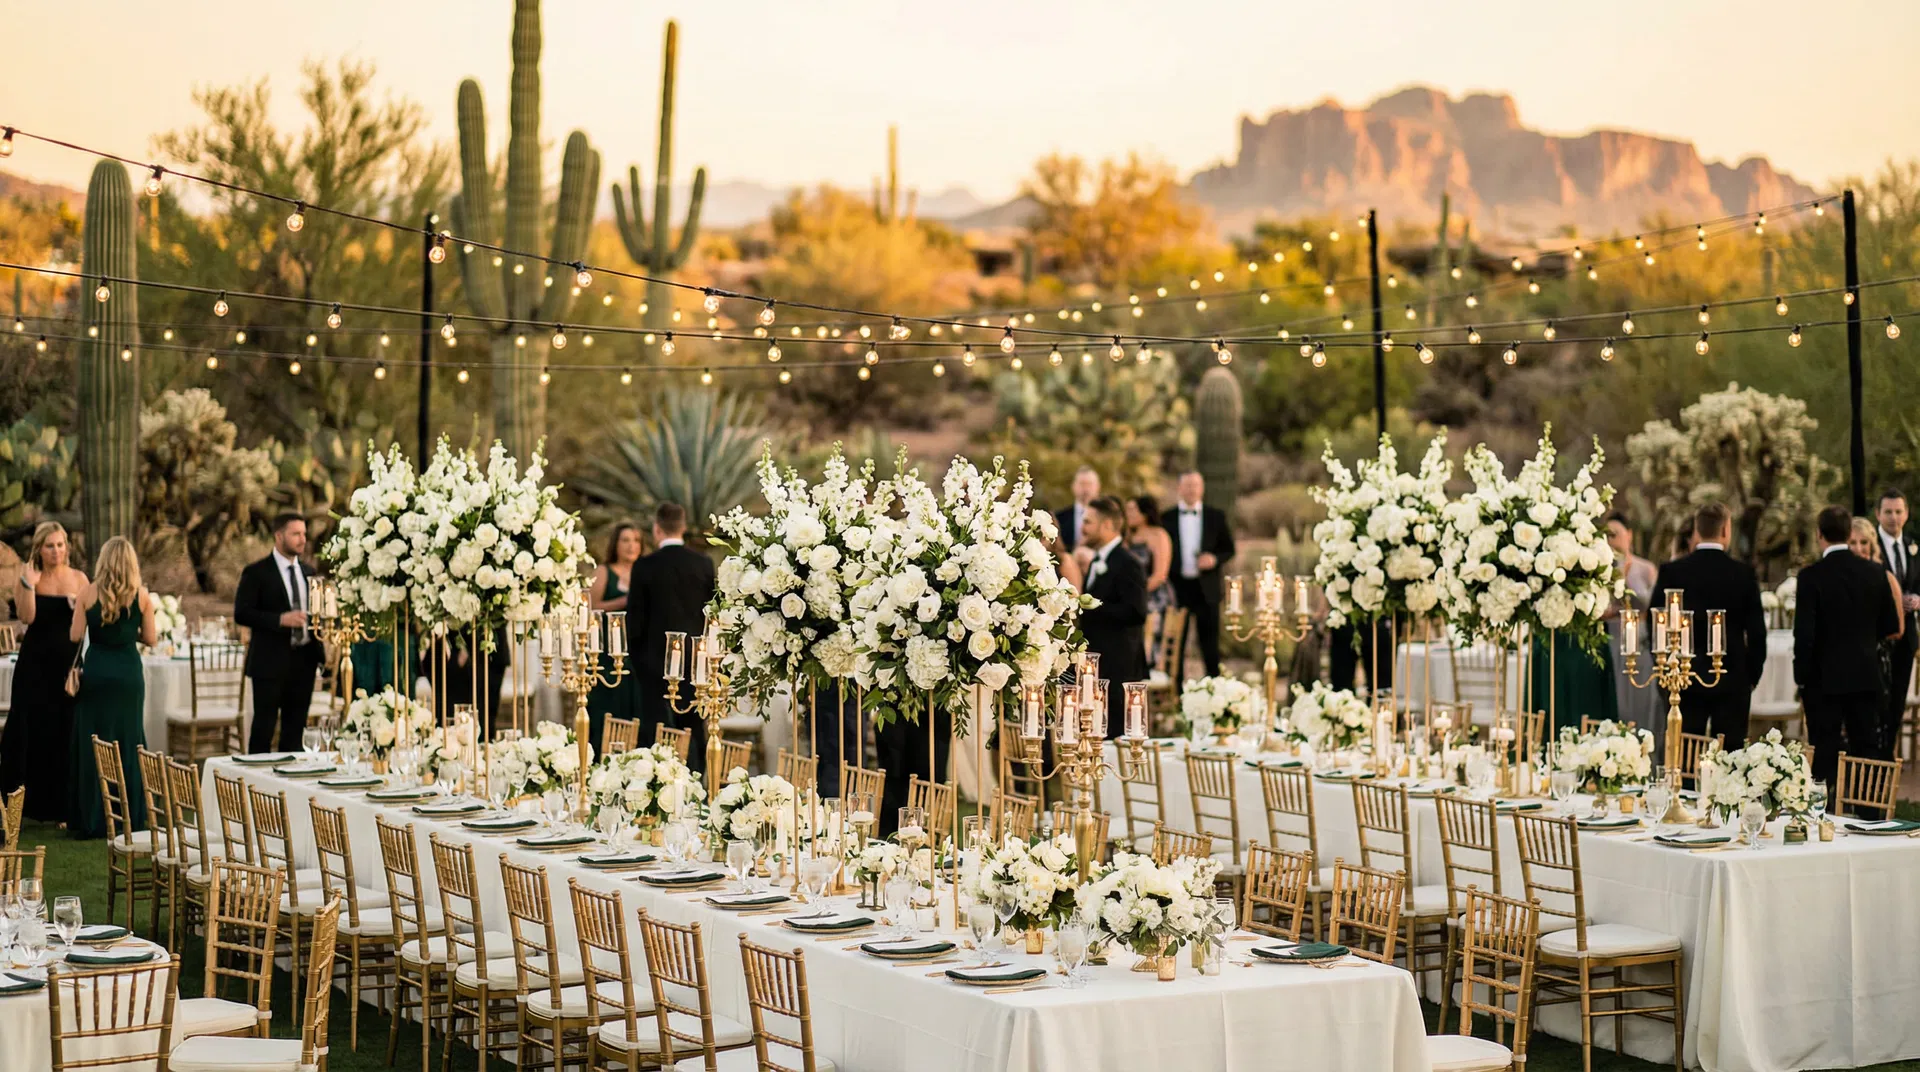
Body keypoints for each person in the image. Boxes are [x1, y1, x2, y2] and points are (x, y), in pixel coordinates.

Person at [1650, 503, 1768, 749]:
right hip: (1732, 676)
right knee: (1730, 757)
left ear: (1696, 530)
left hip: (1683, 674)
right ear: (1726, 530)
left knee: (1684, 753)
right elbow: (1757, 632)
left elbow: (1656, 622)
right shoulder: (1743, 574)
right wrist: (1751, 675)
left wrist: (1664, 669)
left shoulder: (1673, 572)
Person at [1796, 506, 1902, 781]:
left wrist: (1802, 679)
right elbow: (1890, 627)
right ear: (1847, 534)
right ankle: (1868, 818)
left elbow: (1804, 636)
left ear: (1820, 535)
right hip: (1865, 676)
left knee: (1824, 755)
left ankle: (1824, 816)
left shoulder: (1810, 577)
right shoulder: (1875, 573)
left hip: (1823, 681)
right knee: (1866, 752)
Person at [67, 537, 155, 840]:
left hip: (97, 675)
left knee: (94, 742)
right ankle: (129, 817)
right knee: (129, 742)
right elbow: (152, 638)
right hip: (129, 675)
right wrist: (129, 631)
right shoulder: (141, 596)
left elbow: (76, 634)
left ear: (102, 561)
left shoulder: (87, 593)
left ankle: (92, 818)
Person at [0, 522, 86, 825]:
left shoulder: (79, 578)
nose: (57, 551)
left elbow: (87, 624)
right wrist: (27, 582)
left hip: (65, 667)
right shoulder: (28, 576)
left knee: (63, 730)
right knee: (27, 728)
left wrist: (79, 607)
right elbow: (27, 617)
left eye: (61, 544)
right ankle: (20, 807)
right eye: (50, 545)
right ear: (39, 548)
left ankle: (62, 808)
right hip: (34, 665)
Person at [628, 504, 716, 766]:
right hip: (694, 663)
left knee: (656, 732)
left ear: (657, 529)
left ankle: (658, 789)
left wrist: (638, 661)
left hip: (652, 665)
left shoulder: (644, 566)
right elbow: (711, 613)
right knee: (694, 728)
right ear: (684, 527)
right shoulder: (703, 563)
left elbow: (635, 621)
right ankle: (700, 787)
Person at [235, 513, 324, 754]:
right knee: (263, 730)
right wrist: (279, 620)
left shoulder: (309, 572)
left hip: (304, 662)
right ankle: (255, 787)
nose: (302, 539)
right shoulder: (256, 573)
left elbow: (319, 614)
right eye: (296, 534)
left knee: (295, 734)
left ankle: (290, 788)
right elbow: (241, 614)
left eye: (304, 534)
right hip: (269, 662)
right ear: (279, 536)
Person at [1078, 497, 1149, 737]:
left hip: (1119, 668)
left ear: (1107, 525)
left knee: (1116, 739)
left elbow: (1137, 612)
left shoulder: (1128, 564)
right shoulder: (1099, 560)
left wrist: (1088, 607)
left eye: (1088, 522)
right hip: (1099, 666)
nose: (1082, 527)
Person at [1161, 471, 1235, 683]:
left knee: (1210, 645)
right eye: (1187, 486)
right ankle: (1175, 693)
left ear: (1202, 489)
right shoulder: (1167, 518)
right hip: (1177, 589)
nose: (1192, 490)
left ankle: (1214, 690)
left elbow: (1229, 549)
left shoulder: (1216, 516)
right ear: (1179, 488)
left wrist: (1213, 559)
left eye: (1195, 486)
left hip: (1207, 589)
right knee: (1175, 645)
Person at [585, 520, 645, 750]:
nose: (631, 546)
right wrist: (620, 602)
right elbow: (590, 608)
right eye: (626, 540)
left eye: (636, 540)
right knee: (607, 705)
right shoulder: (604, 571)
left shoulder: (643, 571)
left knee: (636, 708)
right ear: (616, 544)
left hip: (637, 651)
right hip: (607, 652)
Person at [1606, 512, 1662, 730]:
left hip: (1640, 640)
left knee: (1641, 698)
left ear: (1629, 534)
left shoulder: (1646, 569)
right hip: (1612, 638)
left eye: (1616, 534)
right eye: (1607, 535)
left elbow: (1656, 605)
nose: (1611, 540)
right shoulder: (1601, 571)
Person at [1873, 489, 1919, 751]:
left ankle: (1888, 753)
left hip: (1907, 636)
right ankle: (1876, 755)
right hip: (1879, 635)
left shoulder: (1913, 545)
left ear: (1906, 513)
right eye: (1888, 512)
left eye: (1898, 511)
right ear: (1878, 514)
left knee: (1898, 701)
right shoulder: (1870, 546)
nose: (1893, 517)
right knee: (1879, 699)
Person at [1848, 516, 1907, 700]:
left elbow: (1899, 629)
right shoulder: (1839, 579)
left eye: (1864, 542)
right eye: (1852, 542)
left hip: (1875, 662)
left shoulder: (1886, 578)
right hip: (1843, 664)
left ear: (1872, 544)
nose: (1858, 548)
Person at [1124, 495, 1173, 664]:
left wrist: (1139, 593)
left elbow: (1160, 574)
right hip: (1131, 596)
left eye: (1131, 510)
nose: (1127, 514)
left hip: (1154, 596)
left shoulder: (1158, 535)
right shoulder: (1127, 537)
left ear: (1144, 513)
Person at [1054, 467, 1100, 561]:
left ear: (1098, 487)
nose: (1086, 489)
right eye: (1082, 484)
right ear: (1073, 486)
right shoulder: (1059, 517)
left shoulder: (1107, 517)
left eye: (1090, 484)